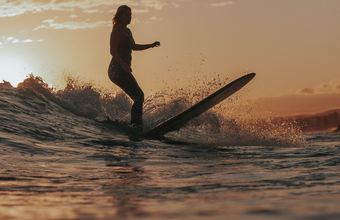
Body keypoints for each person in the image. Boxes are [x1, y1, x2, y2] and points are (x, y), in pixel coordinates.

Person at [108, 5, 160, 130]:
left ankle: (136, 124)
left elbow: (134, 46)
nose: (130, 17)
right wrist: (123, 64)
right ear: (119, 16)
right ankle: (136, 125)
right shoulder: (117, 31)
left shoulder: (127, 31)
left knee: (138, 96)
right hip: (116, 70)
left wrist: (151, 45)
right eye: (127, 15)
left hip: (123, 69)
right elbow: (113, 52)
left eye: (130, 14)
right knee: (139, 96)